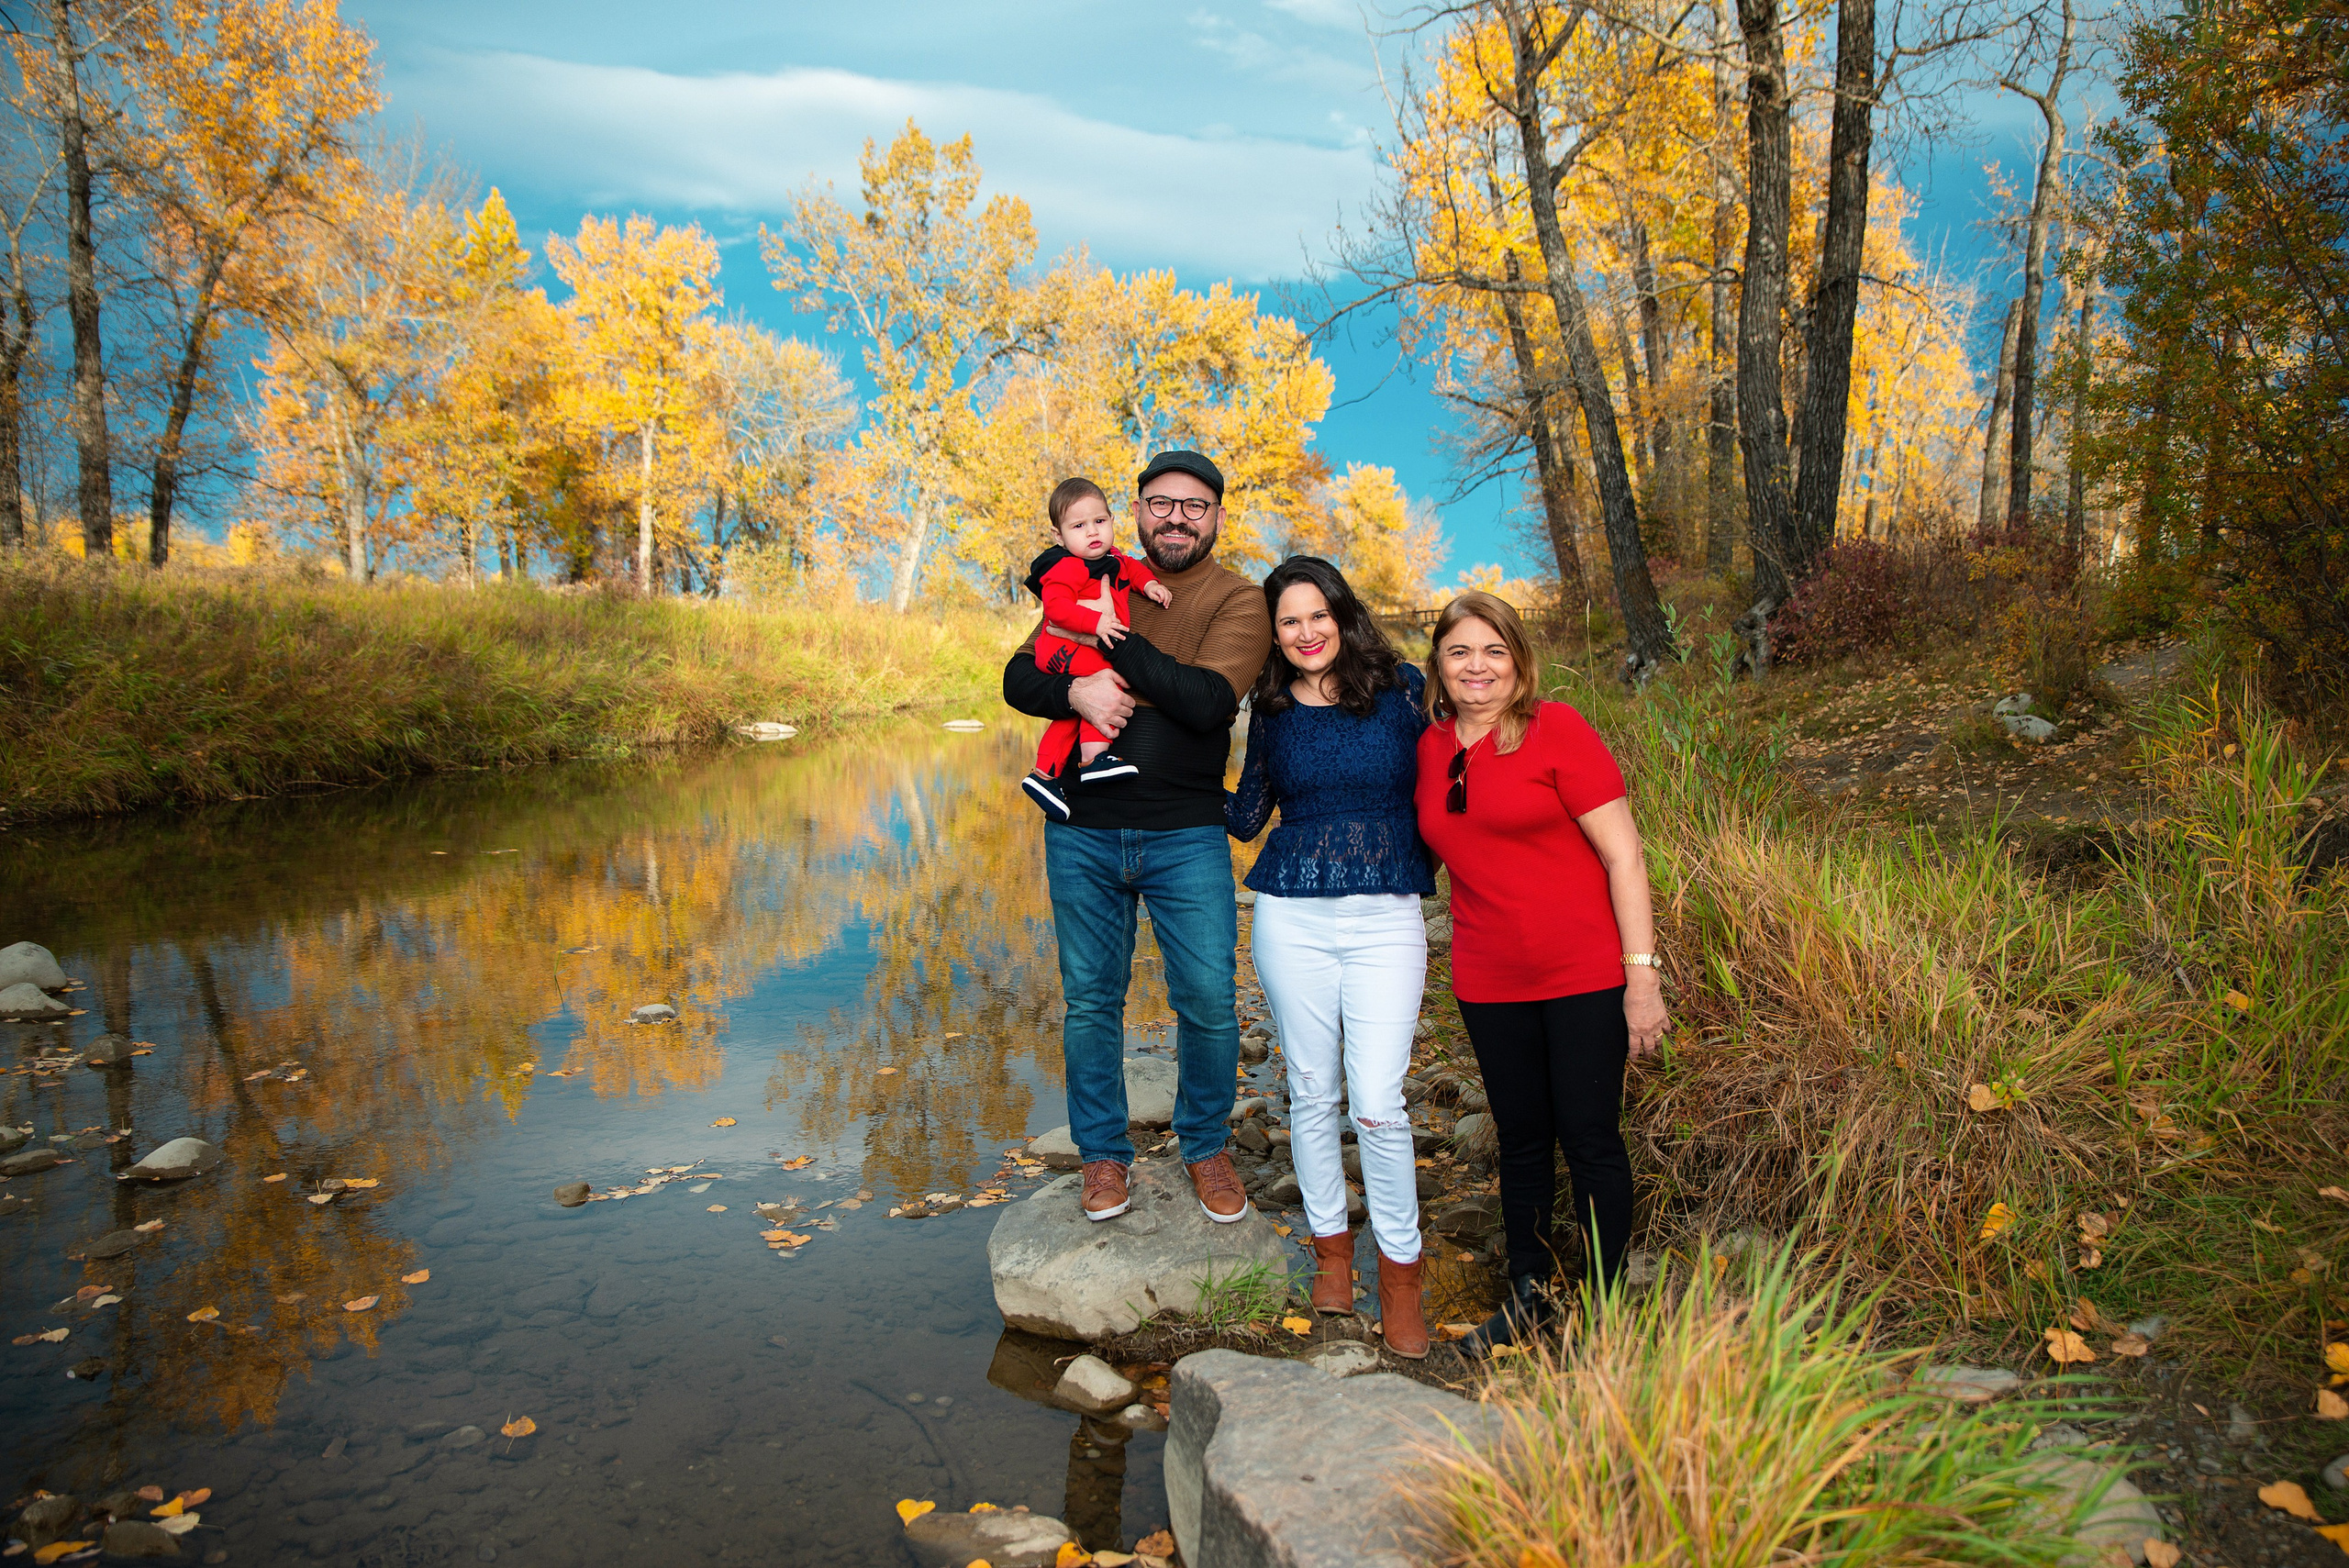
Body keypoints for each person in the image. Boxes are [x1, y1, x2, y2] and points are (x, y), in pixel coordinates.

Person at [1002, 450, 1273, 1225]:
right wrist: (1074, 686)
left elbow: (1203, 700)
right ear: (1137, 511)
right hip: (1080, 832)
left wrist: (1105, 644)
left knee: (1210, 1002)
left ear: (1217, 516)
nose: (1177, 517)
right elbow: (1020, 680)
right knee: (1090, 1003)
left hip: (1184, 834)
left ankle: (1205, 1146)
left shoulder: (1239, 600)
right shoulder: (1093, 574)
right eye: (1160, 504)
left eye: (1194, 505)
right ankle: (1102, 1157)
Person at [1412, 591, 1669, 1357]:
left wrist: (1642, 978)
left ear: (1518, 661)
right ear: (1439, 664)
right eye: (1460, 652)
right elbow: (1426, 849)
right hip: (1488, 979)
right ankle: (1530, 1296)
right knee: (1522, 1139)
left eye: (1494, 650)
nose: (1477, 667)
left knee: (1590, 1138)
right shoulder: (1430, 748)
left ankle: (1603, 1306)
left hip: (1584, 971)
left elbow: (1625, 854)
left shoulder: (1558, 730)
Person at [1226, 556, 1435, 1359]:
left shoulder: (1403, 688)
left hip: (1386, 918)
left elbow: (1450, 777)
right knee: (1312, 1090)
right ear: (1274, 635)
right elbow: (1247, 814)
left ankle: (1402, 1277)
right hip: (1293, 919)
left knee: (1379, 1101)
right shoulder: (1273, 708)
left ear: (1343, 615)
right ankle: (1333, 1257)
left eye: (1318, 614)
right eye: (1288, 621)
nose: (1305, 632)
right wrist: (1161, 776)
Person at [1019, 476, 1175, 820]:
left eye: (1099, 522)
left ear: (1112, 521)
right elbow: (1056, 609)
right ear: (1059, 537)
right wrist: (1097, 625)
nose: (1092, 532)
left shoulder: (1114, 558)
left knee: (1075, 710)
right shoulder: (1067, 566)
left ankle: (1044, 775)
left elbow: (1132, 568)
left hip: (1082, 645)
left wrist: (1149, 585)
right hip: (1063, 646)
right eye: (1079, 525)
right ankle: (1093, 759)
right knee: (1108, 681)